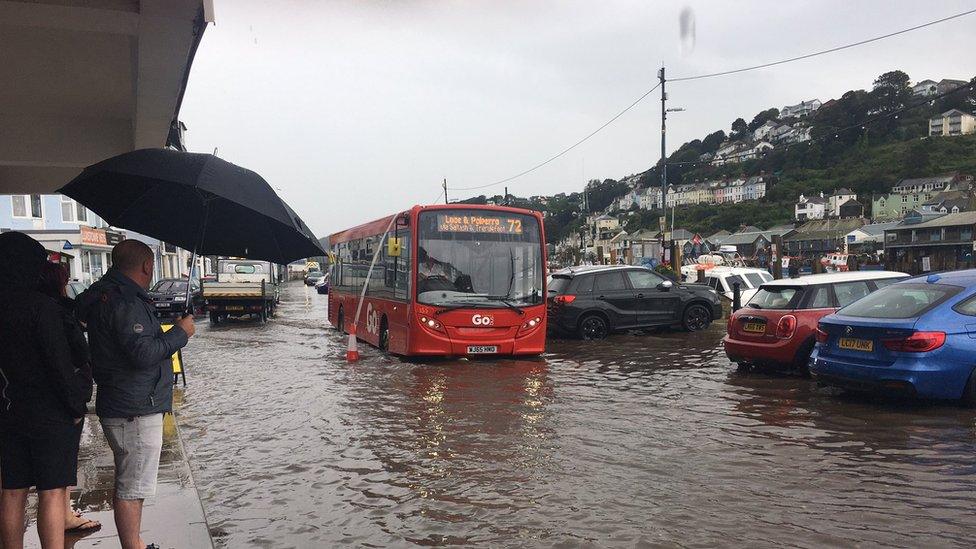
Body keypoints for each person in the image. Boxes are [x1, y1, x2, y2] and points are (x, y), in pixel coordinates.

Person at [76, 240, 195, 549]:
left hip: (125, 402)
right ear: (147, 266)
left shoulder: (109, 293)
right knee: (132, 486)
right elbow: (142, 354)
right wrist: (180, 333)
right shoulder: (126, 302)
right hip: (135, 408)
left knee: (130, 480)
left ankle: (136, 543)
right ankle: (133, 546)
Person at [0, 232, 93, 549]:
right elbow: (60, 367)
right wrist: (77, 406)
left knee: (12, 491)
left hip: (9, 412)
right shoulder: (42, 308)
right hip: (49, 415)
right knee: (51, 492)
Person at [38, 262, 102, 534]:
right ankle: (63, 517)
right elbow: (75, 357)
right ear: (59, 285)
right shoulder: (56, 314)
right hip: (61, 405)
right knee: (55, 481)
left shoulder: (21, 310)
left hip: (26, 404)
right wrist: (76, 406)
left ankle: (65, 513)